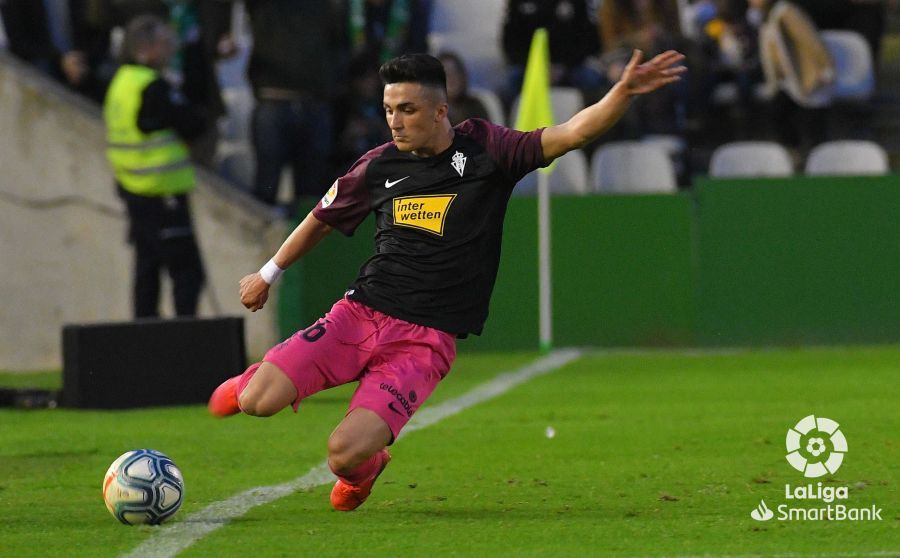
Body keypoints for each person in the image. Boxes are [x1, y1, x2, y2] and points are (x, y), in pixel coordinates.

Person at [208, 51, 686, 511]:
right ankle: (258, 378)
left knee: (343, 455)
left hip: (423, 341)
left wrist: (622, 93)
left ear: (440, 111)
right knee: (256, 401)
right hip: (360, 314)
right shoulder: (378, 164)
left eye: (407, 109)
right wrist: (268, 273)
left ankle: (365, 470)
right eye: (389, 110)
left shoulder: (488, 149)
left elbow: (572, 133)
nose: (395, 121)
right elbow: (322, 217)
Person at [103, 14, 207, 318]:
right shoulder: (151, 87)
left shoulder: (121, 82)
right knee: (187, 273)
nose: (170, 49)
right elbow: (192, 123)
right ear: (144, 49)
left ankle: (143, 336)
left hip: (133, 189)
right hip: (162, 192)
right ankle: (186, 337)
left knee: (147, 270)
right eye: (164, 43)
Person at [438, 51, 491, 125]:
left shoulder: (475, 107)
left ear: (462, 75)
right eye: (446, 74)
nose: (451, 78)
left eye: (455, 72)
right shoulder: (430, 112)